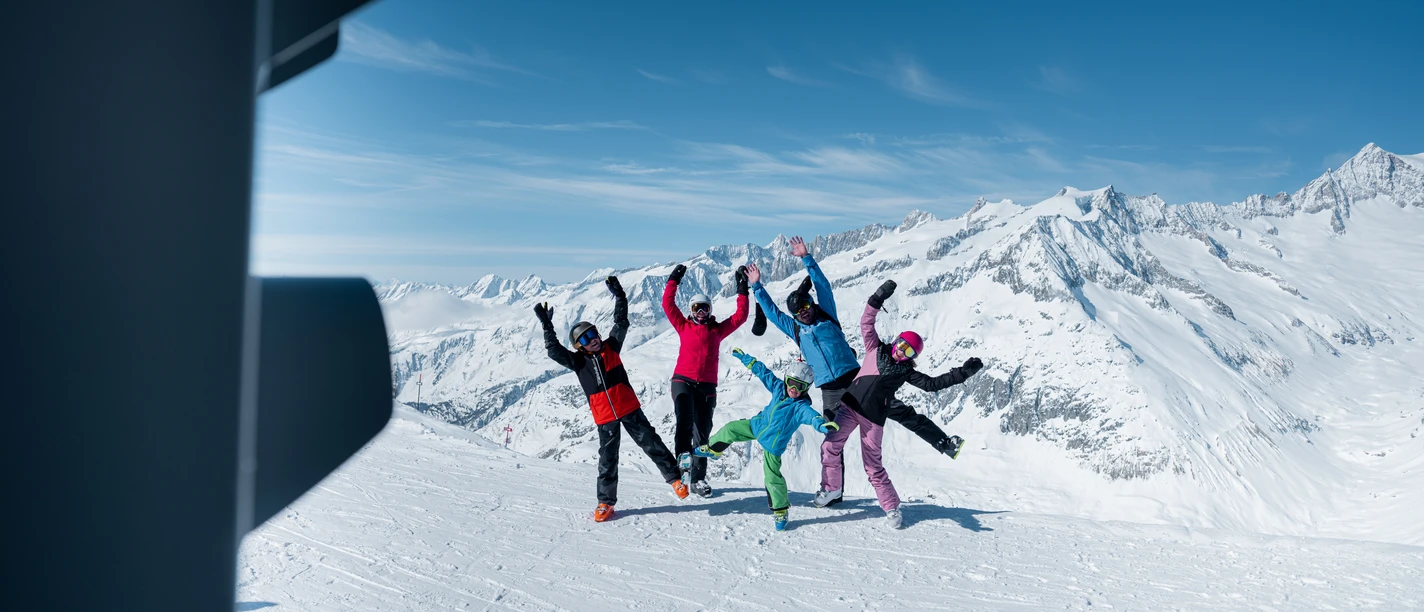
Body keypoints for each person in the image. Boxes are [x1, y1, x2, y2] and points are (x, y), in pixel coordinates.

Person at [814, 279, 983, 529]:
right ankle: (830, 489)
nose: (903, 352)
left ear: (913, 358)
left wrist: (962, 373)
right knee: (830, 446)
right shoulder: (875, 348)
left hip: (872, 420)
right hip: (848, 408)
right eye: (903, 345)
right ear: (897, 341)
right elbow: (866, 322)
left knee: (872, 465)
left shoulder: (906, 372)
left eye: (910, 352)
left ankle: (892, 508)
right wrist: (877, 298)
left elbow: (932, 384)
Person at [534, 275, 688, 523]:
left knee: (651, 443)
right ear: (578, 346)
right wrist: (546, 326)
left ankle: (676, 479)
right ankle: (605, 502)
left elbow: (621, 322)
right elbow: (553, 351)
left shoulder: (611, 347)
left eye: (593, 333)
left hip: (628, 408)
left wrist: (621, 297)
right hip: (605, 417)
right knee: (608, 460)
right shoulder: (578, 362)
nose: (593, 339)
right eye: (585, 338)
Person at [693, 349, 837, 531]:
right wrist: (748, 359)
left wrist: (821, 425)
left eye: (800, 387)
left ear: (806, 388)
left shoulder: (800, 407)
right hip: (757, 426)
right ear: (786, 380)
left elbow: (812, 417)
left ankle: (780, 511)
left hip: (773, 444)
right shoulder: (778, 388)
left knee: (772, 478)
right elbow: (764, 373)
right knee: (730, 429)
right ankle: (714, 450)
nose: (794, 389)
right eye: (792, 383)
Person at [746, 236, 860, 422]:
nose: (803, 313)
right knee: (831, 437)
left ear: (811, 304)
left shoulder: (827, 316)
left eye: (805, 307)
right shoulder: (796, 329)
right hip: (829, 388)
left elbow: (823, 287)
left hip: (853, 376)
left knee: (873, 420)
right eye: (798, 312)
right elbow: (773, 314)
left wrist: (806, 258)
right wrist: (757, 286)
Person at [663, 264, 751, 497]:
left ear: (710, 310)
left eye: (705, 308)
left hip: (706, 386)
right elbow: (668, 305)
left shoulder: (717, 330)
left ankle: (698, 479)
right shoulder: (683, 325)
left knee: (703, 433)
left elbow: (741, 317)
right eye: (696, 308)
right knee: (684, 419)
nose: (701, 312)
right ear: (691, 310)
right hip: (682, 379)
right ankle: (682, 468)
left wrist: (742, 287)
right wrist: (674, 279)